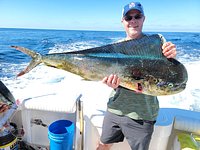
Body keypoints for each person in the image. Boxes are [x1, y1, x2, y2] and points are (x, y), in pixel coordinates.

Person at [96, 2, 177, 150]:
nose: (133, 20)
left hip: (143, 115)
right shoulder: (115, 48)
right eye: (128, 17)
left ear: (143, 19)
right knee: (103, 144)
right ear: (123, 21)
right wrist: (111, 83)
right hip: (115, 108)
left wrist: (171, 56)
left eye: (137, 16)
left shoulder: (156, 44)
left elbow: (170, 72)